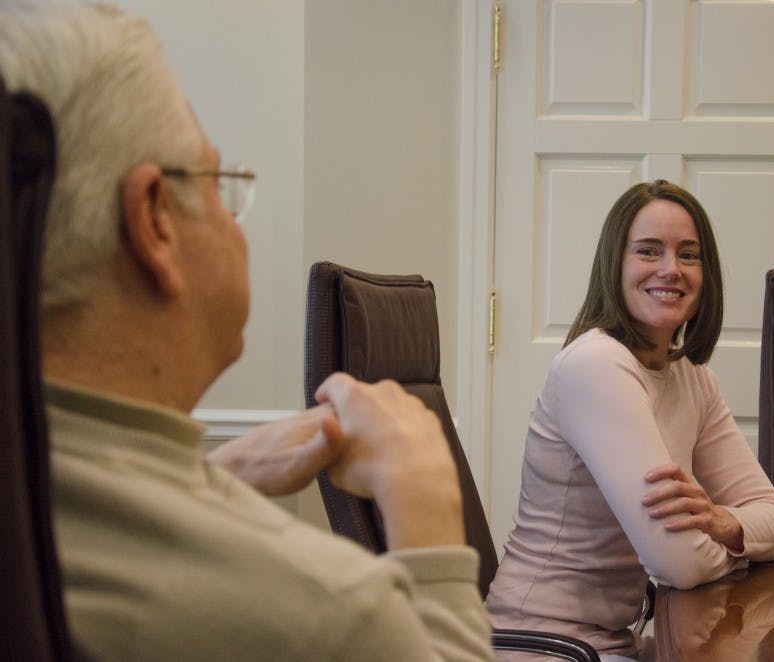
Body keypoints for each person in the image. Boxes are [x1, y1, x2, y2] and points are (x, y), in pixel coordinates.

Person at [0, 1, 492, 660]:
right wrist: (427, 510)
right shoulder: (329, 613)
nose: (236, 224)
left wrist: (217, 474)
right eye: (217, 183)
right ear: (155, 222)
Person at [485, 180, 774, 657]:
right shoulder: (596, 366)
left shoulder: (693, 379)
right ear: (616, 266)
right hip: (542, 645)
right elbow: (679, 564)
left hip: (609, 640)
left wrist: (723, 522)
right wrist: (736, 549)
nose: (671, 269)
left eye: (689, 255)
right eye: (649, 251)